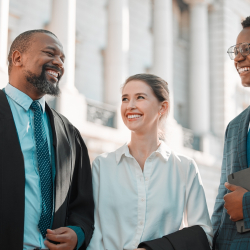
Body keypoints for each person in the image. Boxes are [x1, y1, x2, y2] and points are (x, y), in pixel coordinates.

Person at [87, 73, 213, 250]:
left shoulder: (185, 168)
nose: (130, 106)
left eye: (140, 97)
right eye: (125, 99)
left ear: (162, 107)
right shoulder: (102, 166)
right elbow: (93, 232)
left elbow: (204, 233)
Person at [0, 29, 94, 250]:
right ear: (17, 58)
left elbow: (83, 204)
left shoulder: (69, 133)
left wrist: (77, 233)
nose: (59, 63)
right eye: (50, 53)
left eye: (62, 58)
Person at [212, 16, 250, 250]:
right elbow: (221, 199)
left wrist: (246, 205)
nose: (238, 57)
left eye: (247, 49)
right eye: (236, 50)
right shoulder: (235, 126)